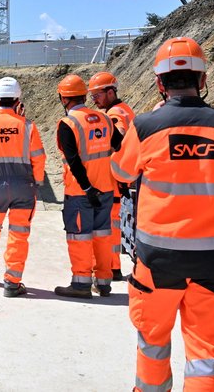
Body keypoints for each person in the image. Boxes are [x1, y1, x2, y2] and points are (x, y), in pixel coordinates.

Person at [113, 37, 214, 392]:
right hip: (213, 262)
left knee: (153, 340)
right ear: (202, 79)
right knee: (205, 351)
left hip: (157, 260)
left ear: (159, 82)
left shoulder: (146, 126)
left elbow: (121, 172)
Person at [0, 76, 46, 298]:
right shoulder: (28, 127)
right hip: (24, 187)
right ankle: (12, 283)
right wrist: (37, 182)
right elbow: (38, 158)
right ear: (17, 100)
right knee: (19, 234)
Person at [54, 74, 121, 299]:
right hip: (106, 189)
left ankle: (81, 284)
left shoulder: (68, 124)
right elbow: (119, 145)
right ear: (84, 95)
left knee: (79, 237)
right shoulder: (105, 119)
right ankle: (103, 282)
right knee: (102, 236)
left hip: (80, 193)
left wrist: (86, 188)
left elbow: (73, 160)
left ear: (64, 99)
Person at [88, 71, 136, 282]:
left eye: (97, 95)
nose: (94, 100)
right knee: (113, 225)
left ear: (110, 92)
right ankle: (113, 266)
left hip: (111, 178)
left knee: (106, 226)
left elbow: (119, 139)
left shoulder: (114, 114)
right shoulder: (124, 109)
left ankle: (108, 267)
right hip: (119, 177)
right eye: (92, 96)